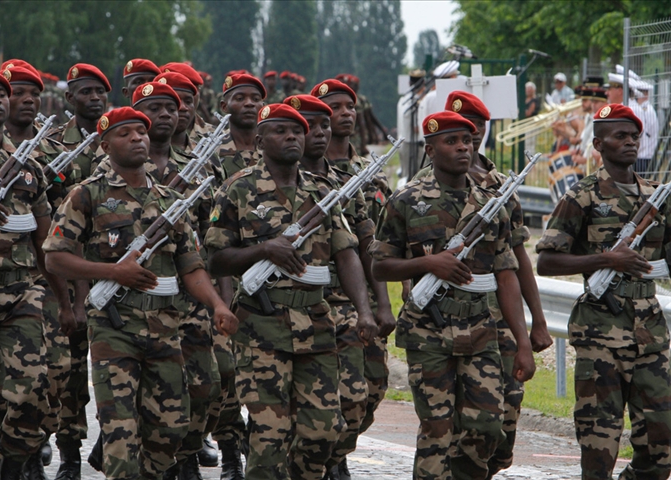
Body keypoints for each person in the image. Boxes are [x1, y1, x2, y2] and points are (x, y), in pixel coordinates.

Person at [43, 107, 238, 479]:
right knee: (120, 430)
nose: (137, 138)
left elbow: (191, 265)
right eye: (125, 133)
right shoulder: (87, 195)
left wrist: (216, 304)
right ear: (104, 145)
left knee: (170, 429)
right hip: (114, 329)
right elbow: (55, 259)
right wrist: (113, 272)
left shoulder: (169, 200)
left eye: (141, 133)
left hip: (166, 328)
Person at [205, 103, 377, 479]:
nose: (293, 138)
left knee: (322, 432)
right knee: (270, 437)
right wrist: (263, 250)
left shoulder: (323, 191)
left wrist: (364, 310)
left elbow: (346, 254)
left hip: (316, 323)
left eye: (297, 132)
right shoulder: (238, 189)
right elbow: (216, 259)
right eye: (282, 131)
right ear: (262, 139)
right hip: (261, 325)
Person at [370, 111, 534, 480]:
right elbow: (380, 266)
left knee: (486, 428)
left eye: (467, 140)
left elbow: (506, 275)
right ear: (430, 150)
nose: (463, 147)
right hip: (429, 331)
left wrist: (522, 341)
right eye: (451, 141)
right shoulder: (406, 200)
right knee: (437, 429)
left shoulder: (492, 203)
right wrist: (429, 264)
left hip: (481, 328)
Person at [536, 103, 671, 480]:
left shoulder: (657, 197)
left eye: (634, 136)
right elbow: (546, 261)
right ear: (599, 144)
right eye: (620, 136)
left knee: (662, 441)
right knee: (599, 444)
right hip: (600, 333)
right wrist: (606, 259)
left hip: (649, 333)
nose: (629, 142)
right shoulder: (582, 196)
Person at [0, 68, 74, 480]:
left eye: (1, 95)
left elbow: (46, 242)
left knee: (33, 389)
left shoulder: (29, 166)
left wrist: (64, 303)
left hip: (22, 294)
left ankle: (13, 461)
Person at [422, 91, 550, 478]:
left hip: (499, 316)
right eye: (460, 130)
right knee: (446, 426)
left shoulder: (501, 188)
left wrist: (537, 322)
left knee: (500, 423)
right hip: (440, 318)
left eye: (475, 129)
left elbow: (517, 258)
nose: (468, 137)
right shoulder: (422, 186)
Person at [286, 94, 392, 480]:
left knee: (365, 392)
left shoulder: (344, 183)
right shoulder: (263, 181)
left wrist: (380, 306)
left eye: (322, 126)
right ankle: (312, 461)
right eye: (308, 126)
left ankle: (330, 454)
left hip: (345, 301)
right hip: (288, 305)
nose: (317, 133)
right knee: (299, 402)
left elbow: (367, 246)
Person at [46, 63, 112, 474]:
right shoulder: (54, 145)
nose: (94, 99)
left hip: (114, 269)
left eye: (99, 92)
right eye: (85, 93)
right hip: (68, 268)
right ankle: (69, 451)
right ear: (70, 99)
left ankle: (113, 437)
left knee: (116, 364)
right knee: (70, 368)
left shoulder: (123, 138)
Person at [216, 73, 266, 179]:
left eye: (256, 99)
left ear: (263, 108)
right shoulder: (212, 150)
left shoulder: (273, 149)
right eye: (239, 98)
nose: (249, 103)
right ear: (224, 106)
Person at [524, 82, 540, 154]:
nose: (528, 91)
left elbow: (529, 113)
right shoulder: (524, 99)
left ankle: (530, 162)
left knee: (530, 144)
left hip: (532, 124)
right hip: (525, 124)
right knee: (526, 145)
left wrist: (521, 112)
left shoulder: (534, 100)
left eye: (530, 89)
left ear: (534, 90)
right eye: (527, 89)